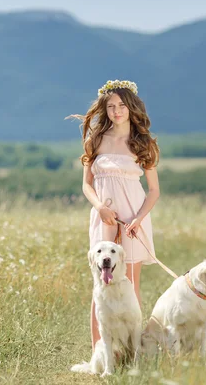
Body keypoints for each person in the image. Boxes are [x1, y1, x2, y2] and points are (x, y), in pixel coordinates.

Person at [70, 79, 160, 350]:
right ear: (104, 109)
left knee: (130, 285)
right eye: (110, 106)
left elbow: (154, 190)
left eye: (121, 105)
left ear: (131, 107)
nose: (116, 111)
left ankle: (132, 354)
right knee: (101, 285)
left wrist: (138, 219)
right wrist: (99, 207)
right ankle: (99, 354)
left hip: (134, 217)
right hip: (104, 217)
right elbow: (86, 184)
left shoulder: (143, 143)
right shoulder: (95, 139)